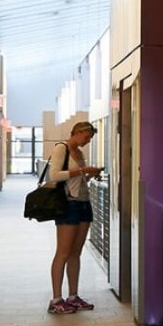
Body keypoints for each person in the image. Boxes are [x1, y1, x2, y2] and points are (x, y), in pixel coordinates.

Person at [45, 121, 103, 315]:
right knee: (63, 252)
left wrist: (90, 174)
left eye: (90, 138)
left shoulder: (80, 153)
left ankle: (73, 296)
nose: (88, 141)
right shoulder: (61, 149)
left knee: (75, 253)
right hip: (68, 204)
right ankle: (56, 299)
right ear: (77, 133)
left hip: (83, 203)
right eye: (86, 137)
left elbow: (78, 179)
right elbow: (54, 175)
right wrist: (83, 170)